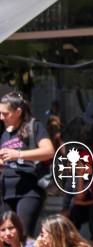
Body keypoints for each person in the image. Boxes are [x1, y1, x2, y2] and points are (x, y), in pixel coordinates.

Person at [0, 93, 55, 238]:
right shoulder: (5, 133)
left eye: (5, 113)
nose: (1, 117)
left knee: (23, 235)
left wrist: (18, 154)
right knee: (8, 237)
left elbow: (49, 151)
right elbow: (5, 161)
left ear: (18, 112)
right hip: (7, 191)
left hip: (29, 190)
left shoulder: (34, 126)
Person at [68, 153, 93, 247]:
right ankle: (71, 242)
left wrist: (84, 203)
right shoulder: (87, 177)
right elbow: (79, 197)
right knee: (76, 210)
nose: (77, 166)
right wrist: (81, 175)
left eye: (79, 164)